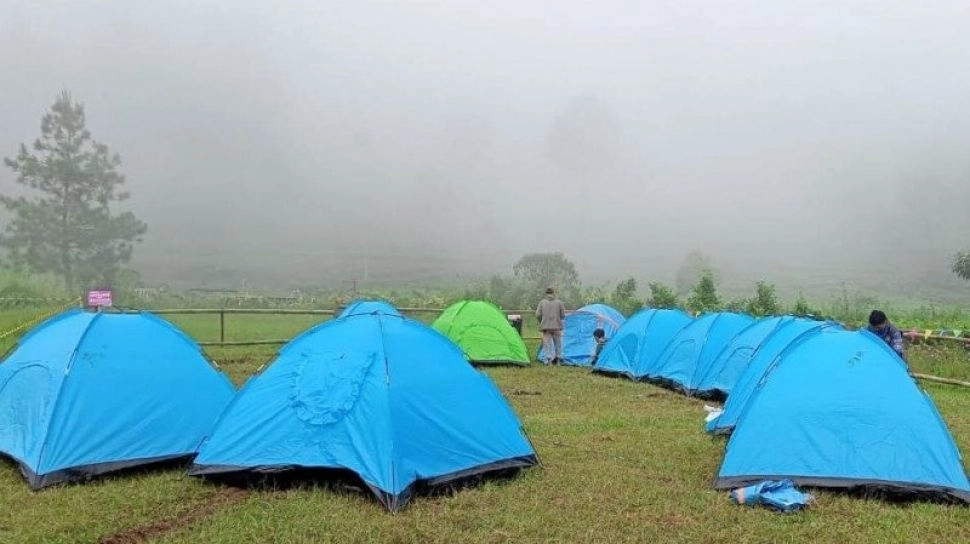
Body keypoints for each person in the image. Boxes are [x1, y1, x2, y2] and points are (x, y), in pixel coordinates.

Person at [536, 287, 566, 365]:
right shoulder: (559, 302)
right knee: (558, 344)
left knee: (547, 344)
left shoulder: (542, 302)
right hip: (557, 326)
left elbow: (537, 314)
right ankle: (558, 360)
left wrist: (541, 321)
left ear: (546, 294)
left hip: (545, 327)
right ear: (553, 293)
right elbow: (563, 315)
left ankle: (549, 361)